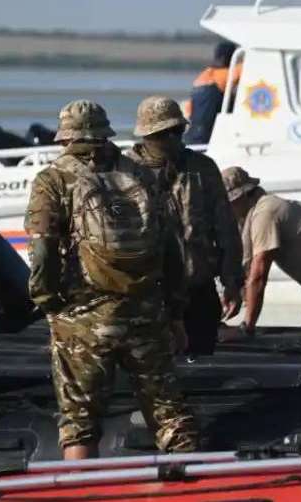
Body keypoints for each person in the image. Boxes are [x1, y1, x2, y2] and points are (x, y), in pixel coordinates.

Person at [25, 100, 197, 459]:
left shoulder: (53, 179)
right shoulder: (141, 174)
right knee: (170, 416)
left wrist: (47, 302)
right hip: (146, 310)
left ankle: (82, 493)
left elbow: (42, 251)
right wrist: (176, 311)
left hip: (84, 316)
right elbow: (174, 249)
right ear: (105, 133)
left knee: (80, 420)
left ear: (65, 138)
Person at [127, 96, 244, 355]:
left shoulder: (202, 169)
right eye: (164, 133)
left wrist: (232, 282)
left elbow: (226, 229)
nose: (173, 139)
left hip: (198, 287)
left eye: (178, 130)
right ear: (148, 135)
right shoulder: (125, 174)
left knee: (201, 360)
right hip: (148, 293)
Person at [222, 166, 301, 333]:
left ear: (243, 196)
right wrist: (237, 293)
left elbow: (258, 275)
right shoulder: (262, 208)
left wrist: (247, 326)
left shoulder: (265, 214)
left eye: (228, 203)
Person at [184, 41, 241, 145]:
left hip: (191, 136)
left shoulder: (202, 77)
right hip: (208, 139)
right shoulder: (224, 75)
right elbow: (246, 68)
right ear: (226, 58)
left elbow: (189, 110)